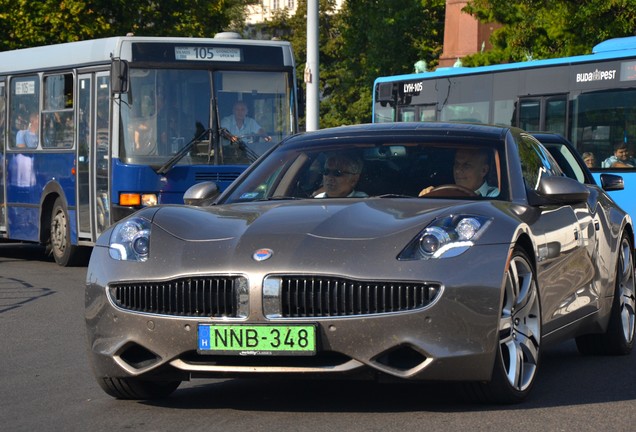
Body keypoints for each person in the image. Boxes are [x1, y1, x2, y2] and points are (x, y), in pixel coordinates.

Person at [419, 147, 499, 197]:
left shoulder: (496, 198)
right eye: (456, 164)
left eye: (466, 166)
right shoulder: (443, 194)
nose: (457, 170)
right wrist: (426, 197)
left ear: (483, 170)